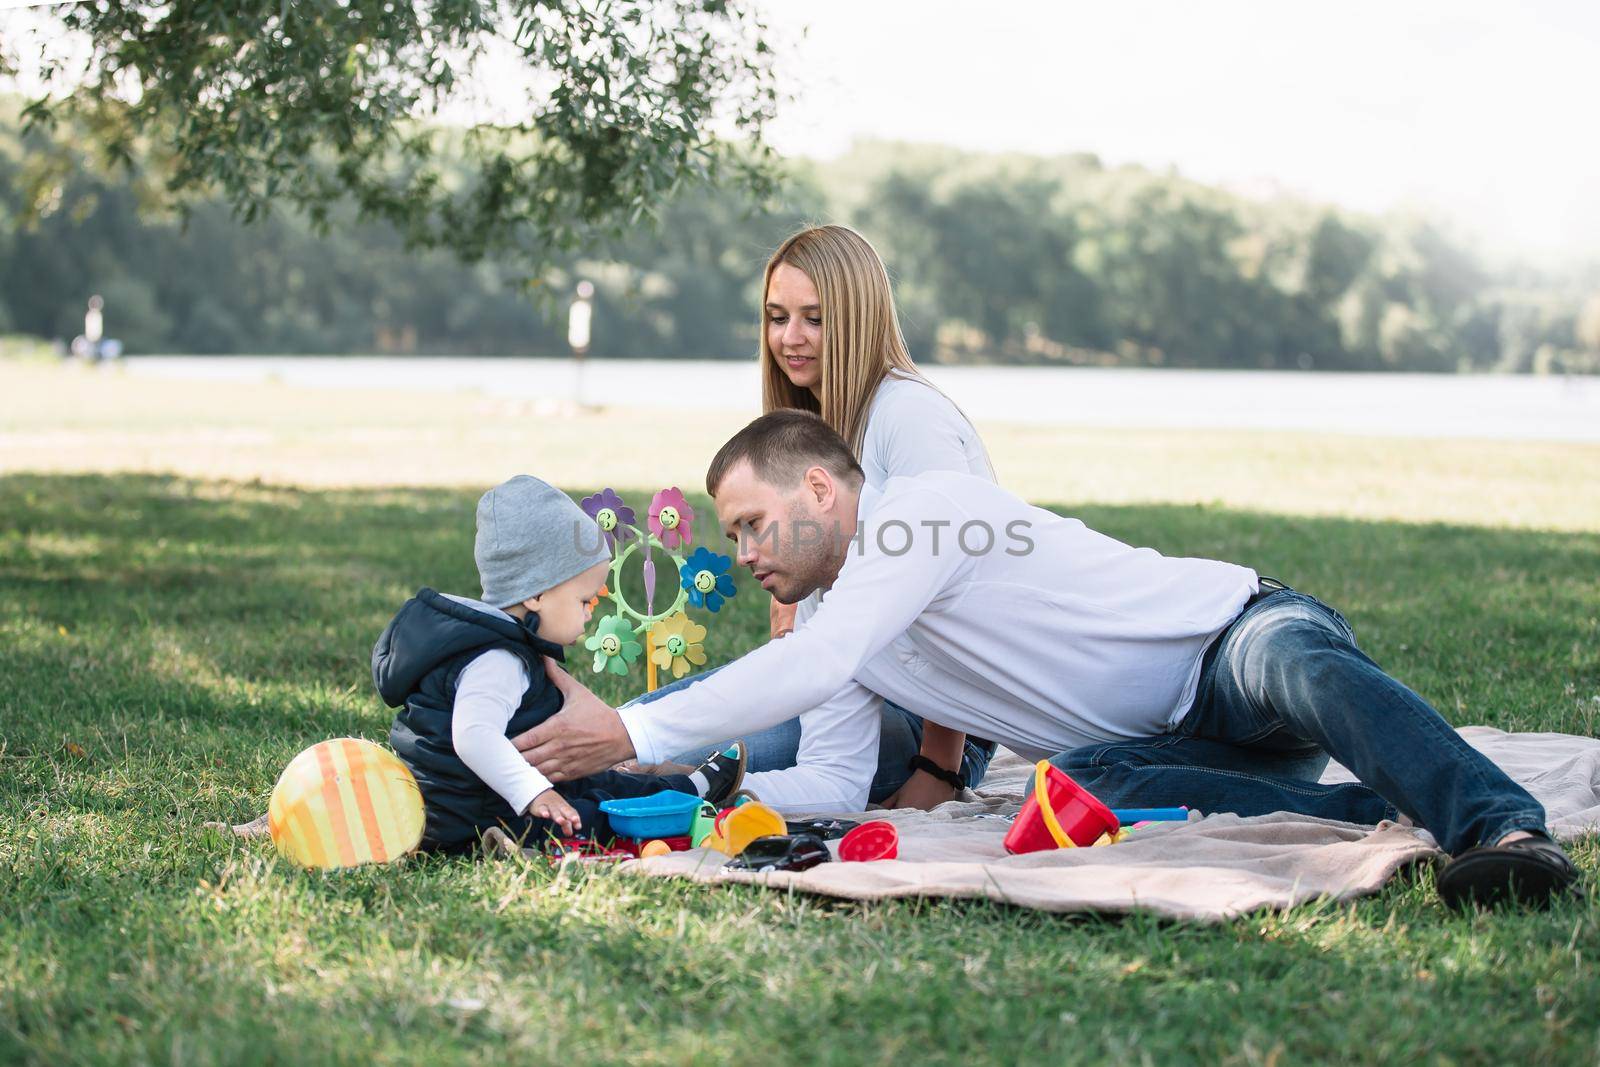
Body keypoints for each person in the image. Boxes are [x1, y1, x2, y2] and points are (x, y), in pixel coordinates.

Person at [521, 412, 1578, 908]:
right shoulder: (837, 618)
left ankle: (1503, 826)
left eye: (753, 524)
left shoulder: (918, 515)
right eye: (731, 533)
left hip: (1225, 639)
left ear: (822, 494)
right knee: (1085, 787)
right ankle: (1398, 806)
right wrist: (656, 791)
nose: (742, 552)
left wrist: (634, 724)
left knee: (1303, 667)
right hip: (1154, 748)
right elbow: (837, 780)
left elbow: (816, 661)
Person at [632, 224, 999, 809]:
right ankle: (484, 764)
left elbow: (954, 600)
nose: (791, 338)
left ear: (857, 318)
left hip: (927, 716)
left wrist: (939, 769)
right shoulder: (815, 426)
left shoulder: (909, 416)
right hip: (841, 687)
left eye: (815, 318)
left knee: (689, 756)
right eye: (778, 318)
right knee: (637, 728)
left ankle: (513, 786)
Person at [373, 475, 747, 853]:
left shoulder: (489, 641)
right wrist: (534, 793)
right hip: (480, 813)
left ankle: (692, 789)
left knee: (596, 782)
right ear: (535, 594)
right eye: (584, 601)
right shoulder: (497, 659)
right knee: (596, 815)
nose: (588, 615)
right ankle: (688, 805)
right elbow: (473, 736)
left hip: (490, 796)